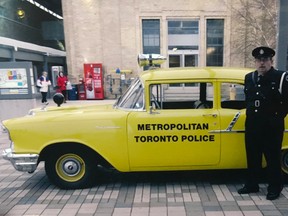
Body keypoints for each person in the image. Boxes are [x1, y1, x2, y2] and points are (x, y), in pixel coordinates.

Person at [238, 46, 288, 200]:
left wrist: (276, 117)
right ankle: (252, 184)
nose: (262, 63)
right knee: (253, 156)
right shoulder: (249, 78)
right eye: (259, 60)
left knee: (272, 158)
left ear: (271, 61)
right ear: (255, 62)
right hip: (253, 124)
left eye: (265, 60)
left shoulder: (281, 77)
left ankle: (274, 187)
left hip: (272, 126)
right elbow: (249, 99)